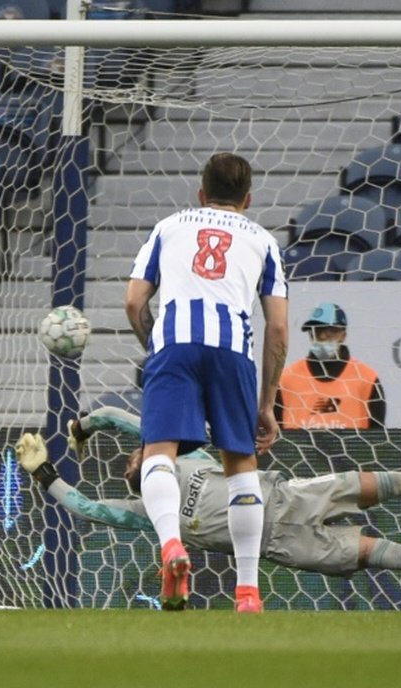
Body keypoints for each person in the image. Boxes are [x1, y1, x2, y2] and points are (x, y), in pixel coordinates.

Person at [37, 408, 401, 607]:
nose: (136, 453)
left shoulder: (187, 457)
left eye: (139, 449)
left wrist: (85, 426)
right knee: (384, 552)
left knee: (378, 482)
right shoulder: (149, 513)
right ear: (136, 481)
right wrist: (45, 475)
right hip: (287, 543)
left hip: (290, 493)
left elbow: (126, 421)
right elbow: (87, 508)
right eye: (133, 461)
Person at [124, 152, 289, 612]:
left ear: (201, 193)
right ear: (248, 199)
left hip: (175, 343)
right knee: (241, 465)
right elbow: (277, 328)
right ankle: (248, 592)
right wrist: (267, 403)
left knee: (160, 452)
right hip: (232, 350)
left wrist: (154, 345)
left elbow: (134, 301)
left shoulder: (169, 227)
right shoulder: (263, 241)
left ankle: (173, 547)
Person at [276, 302, 386, 430]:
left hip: (351, 450)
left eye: (329, 330)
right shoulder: (287, 380)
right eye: (316, 330)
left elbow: (378, 437)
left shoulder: (367, 379)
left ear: (343, 335)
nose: (322, 336)